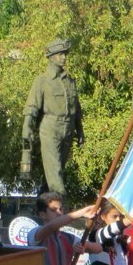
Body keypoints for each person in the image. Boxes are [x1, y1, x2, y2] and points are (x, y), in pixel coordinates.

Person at [22, 39, 84, 195]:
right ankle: (61, 208)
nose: (64, 57)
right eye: (60, 54)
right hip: (50, 127)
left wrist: (80, 130)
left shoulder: (70, 81)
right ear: (51, 57)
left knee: (58, 171)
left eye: (65, 54)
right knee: (55, 173)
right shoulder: (42, 81)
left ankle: (44, 201)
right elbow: (32, 108)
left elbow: (76, 108)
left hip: (68, 129)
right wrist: (27, 129)